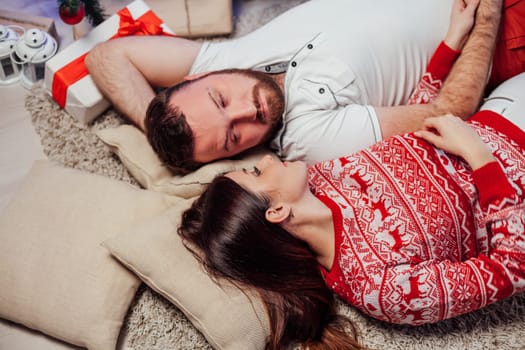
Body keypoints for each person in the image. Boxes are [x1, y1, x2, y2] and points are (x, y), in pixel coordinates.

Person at [178, 67, 525, 349]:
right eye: (256, 172)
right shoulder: (382, 287)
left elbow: (420, 131)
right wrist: (481, 159)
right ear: (277, 212)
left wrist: (448, 50)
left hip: (503, 108)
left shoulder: (322, 174)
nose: (267, 159)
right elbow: (514, 266)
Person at [85, 0, 517, 174]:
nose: (245, 111)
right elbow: (451, 111)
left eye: (220, 100)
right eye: (233, 137)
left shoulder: (216, 61)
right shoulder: (310, 138)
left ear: (197, 79)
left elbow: (105, 57)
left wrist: (157, 129)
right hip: (492, 24)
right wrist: (490, 10)